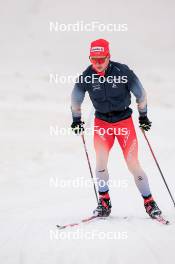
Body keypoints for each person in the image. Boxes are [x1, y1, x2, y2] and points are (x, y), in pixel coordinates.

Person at [71, 38, 162, 219]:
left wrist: (143, 116)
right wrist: (76, 120)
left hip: (124, 123)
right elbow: (75, 98)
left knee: (133, 164)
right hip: (102, 125)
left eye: (101, 59)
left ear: (108, 57)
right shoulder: (86, 76)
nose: (97, 64)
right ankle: (104, 203)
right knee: (101, 163)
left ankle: (149, 202)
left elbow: (141, 94)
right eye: (93, 59)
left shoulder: (123, 72)